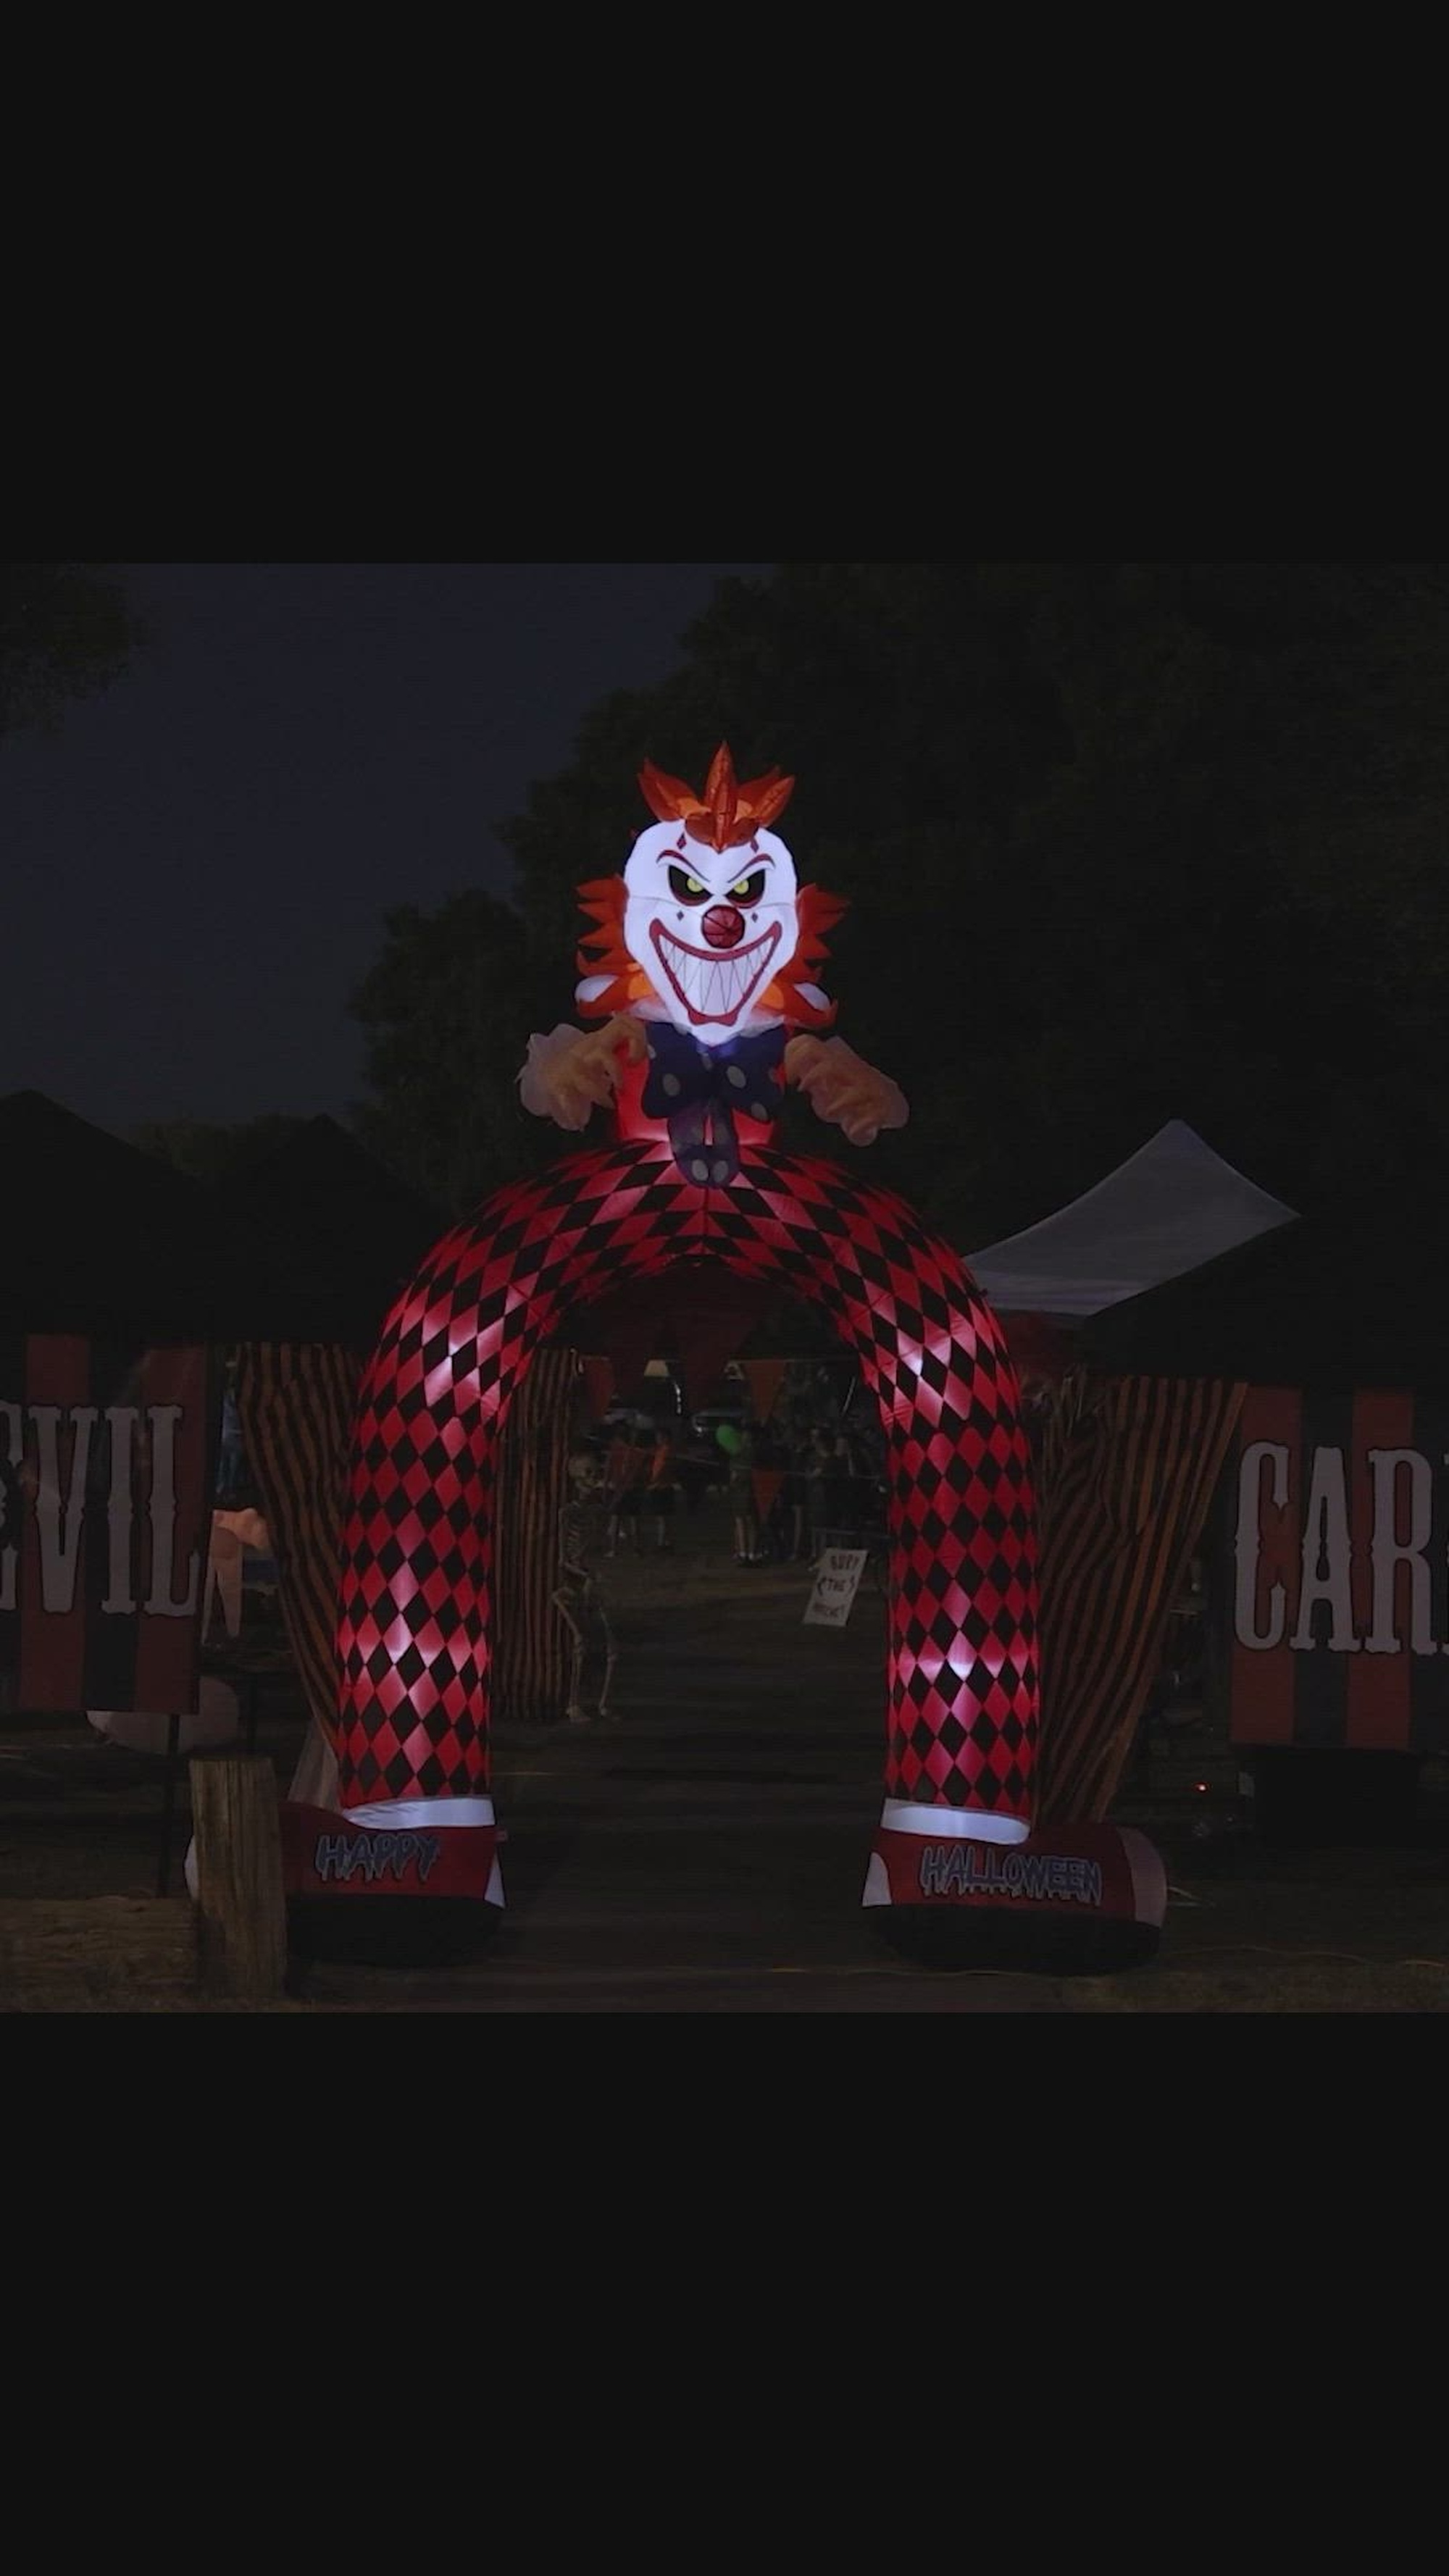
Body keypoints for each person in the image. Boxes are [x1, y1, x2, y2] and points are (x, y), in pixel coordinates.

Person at [646, 1427, 678, 1552]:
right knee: (665, 1518)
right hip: (663, 1486)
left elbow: (662, 1468)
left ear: (665, 1438)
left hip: (661, 1487)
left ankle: (662, 1544)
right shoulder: (662, 1451)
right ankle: (667, 1541)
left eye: (659, 1437)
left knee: (662, 1518)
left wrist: (653, 1481)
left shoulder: (666, 1451)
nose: (657, 1439)